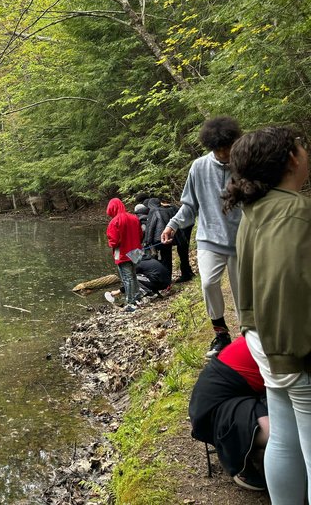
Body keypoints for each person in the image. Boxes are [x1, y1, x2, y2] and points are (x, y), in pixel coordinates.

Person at [222, 126, 311, 503]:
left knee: (287, 439)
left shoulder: (255, 210)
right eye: (301, 146)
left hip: (262, 341)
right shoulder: (294, 212)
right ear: (292, 158)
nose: (306, 151)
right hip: (293, 349)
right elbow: (288, 283)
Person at [161, 116, 242, 358]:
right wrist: (172, 225)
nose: (224, 154)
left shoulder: (244, 165)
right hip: (209, 238)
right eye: (219, 150)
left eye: (228, 148)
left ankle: (249, 337)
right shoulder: (198, 167)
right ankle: (221, 334)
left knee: (244, 295)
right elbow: (189, 205)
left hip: (242, 240)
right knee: (208, 283)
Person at [189, 336, 268, 491]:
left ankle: (258, 451)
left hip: (245, 393)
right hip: (217, 407)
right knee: (286, 435)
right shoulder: (282, 341)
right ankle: (243, 462)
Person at [106, 198, 143, 312]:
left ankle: (130, 303)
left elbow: (114, 241)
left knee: (127, 278)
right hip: (136, 251)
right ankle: (137, 297)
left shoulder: (115, 221)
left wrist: (110, 244)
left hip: (123, 252)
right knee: (133, 275)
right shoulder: (134, 218)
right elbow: (141, 234)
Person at [104, 254, 171, 303]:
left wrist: (117, 291)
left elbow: (131, 280)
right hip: (167, 282)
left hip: (160, 284)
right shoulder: (149, 259)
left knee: (133, 278)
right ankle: (154, 293)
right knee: (144, 277)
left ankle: (150, 293)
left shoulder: (139, 264)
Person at [144, 197, 178, 274]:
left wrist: (147, 242)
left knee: (156, 260)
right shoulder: (166, 210)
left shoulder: (153, 211)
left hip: (157, 240)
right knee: (167, 259)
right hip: (167, 238)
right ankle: (168, 279)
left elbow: (150, 227)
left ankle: (160, 278)